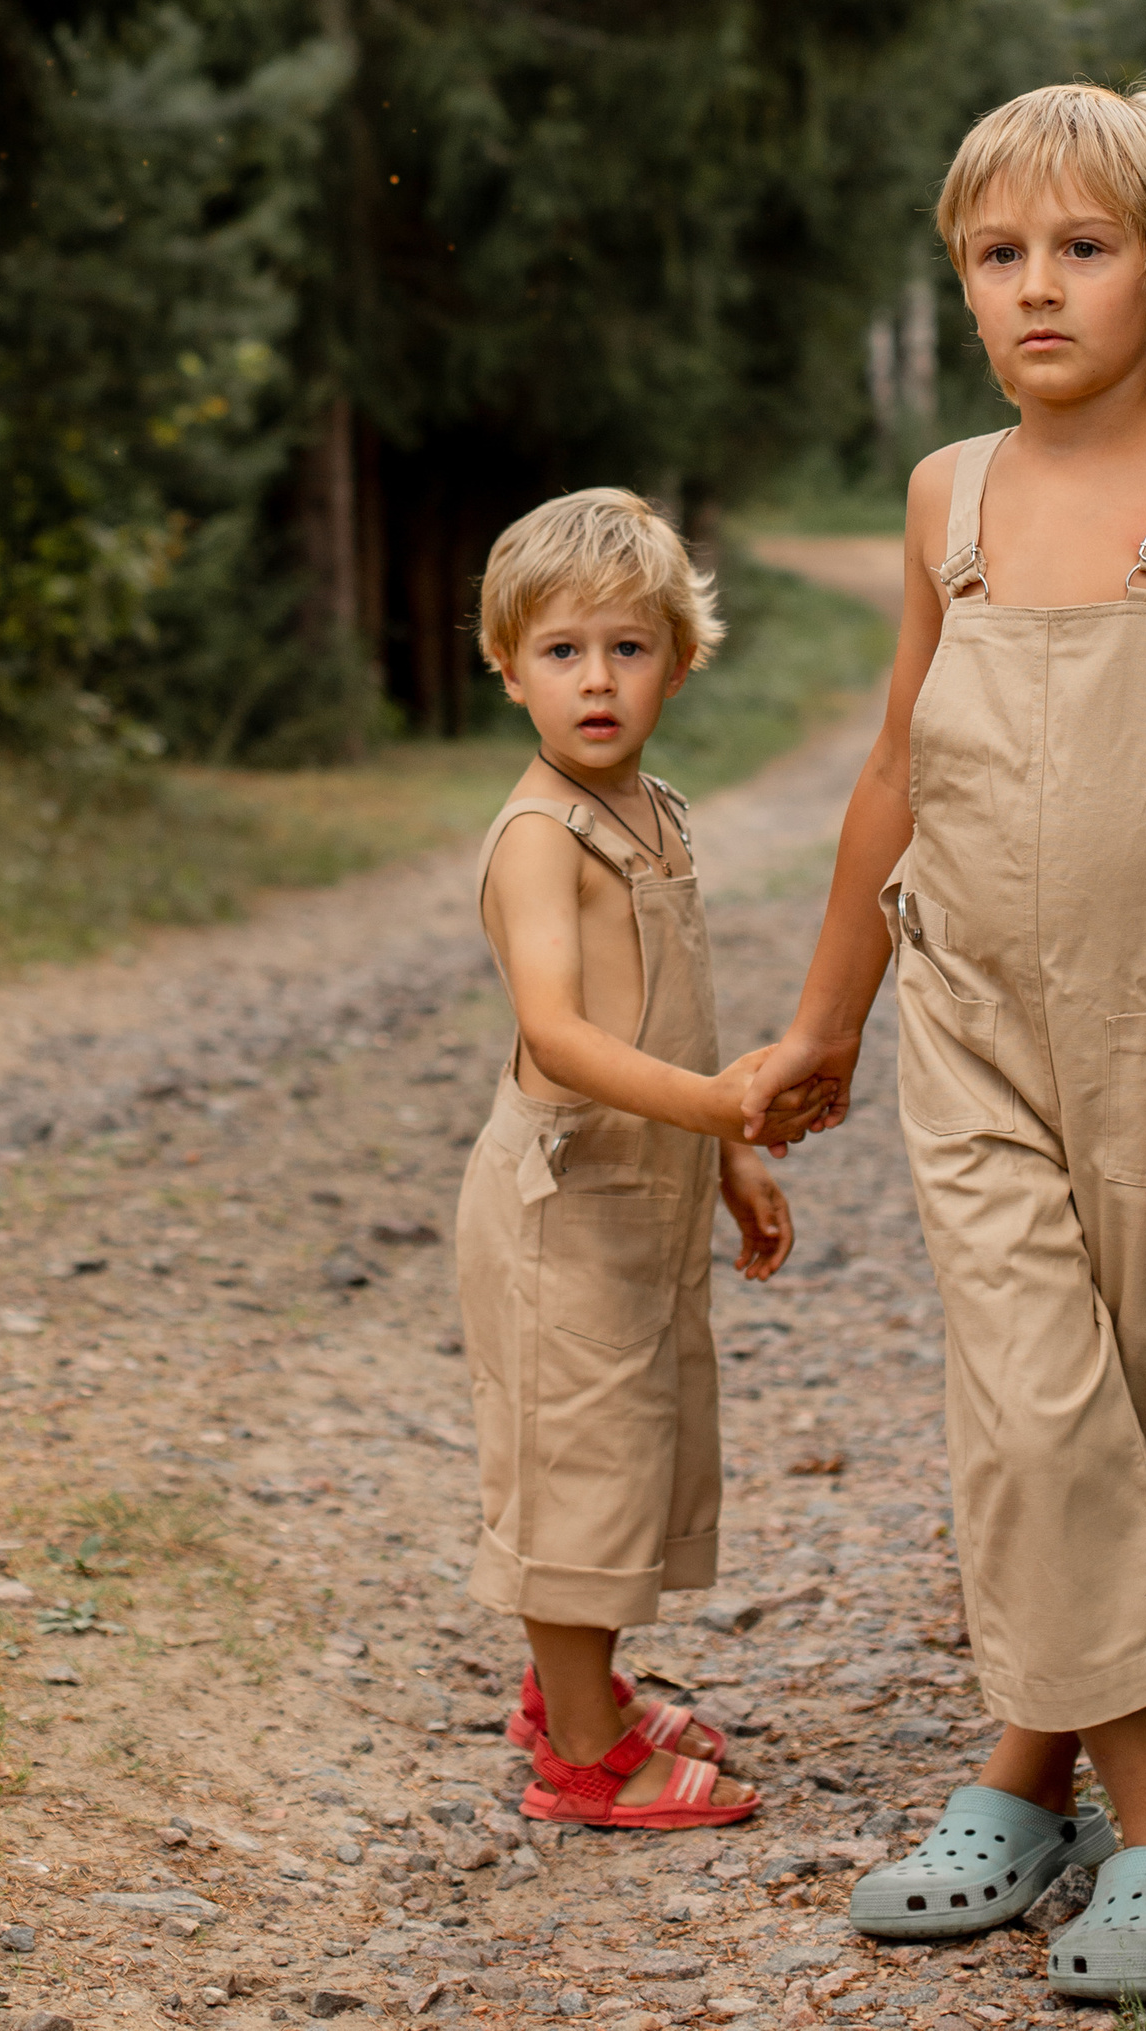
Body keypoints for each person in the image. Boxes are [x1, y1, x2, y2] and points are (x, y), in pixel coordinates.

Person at [740, 83, 1146, 2004]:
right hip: (976, 1024)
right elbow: (898, 770)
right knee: (1029, 1408)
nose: (1038, 288)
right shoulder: (947, 498)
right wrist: (830, 1020)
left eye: (1084, 250)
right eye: (1000, 257)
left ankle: (1024, 1773)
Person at [457, 486, 834, 1833]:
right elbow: (557, 1035)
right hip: (567, 1201)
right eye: (562, 653)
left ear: (680, 659)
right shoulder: (537, 840)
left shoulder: (653, 810)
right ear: (510, 669)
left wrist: (729, 1158)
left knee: (627, 1445)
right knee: (577, 1460)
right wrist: (718, 1111)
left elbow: (677, 1005)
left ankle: (583, 1694)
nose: (597, 680)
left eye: (627, 648)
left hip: (648, 1186)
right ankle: (576, 1759)